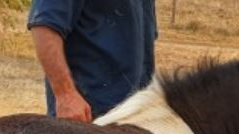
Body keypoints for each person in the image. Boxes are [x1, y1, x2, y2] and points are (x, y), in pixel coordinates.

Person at [28, 0, 157, 122]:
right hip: (87, 118)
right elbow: (44, 28)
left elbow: (143, 43)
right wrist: (66, 95)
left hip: (134, 117)